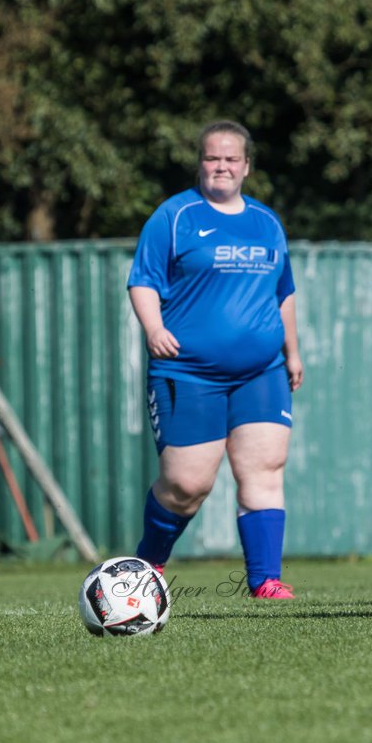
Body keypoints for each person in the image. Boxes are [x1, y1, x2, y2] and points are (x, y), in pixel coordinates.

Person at [127, 120, 303, 599]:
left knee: (265, 468)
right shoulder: (175, 216)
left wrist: (292, 350)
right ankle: (149, 564)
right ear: (200, 164)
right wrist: (154, 328)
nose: (220, 166)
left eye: (230, 158)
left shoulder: (267, 222)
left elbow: (282, 292)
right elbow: (142, 280)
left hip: (261, 373)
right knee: (187, 483)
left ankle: (265, 580)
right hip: (187, 371)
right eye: (211, 157)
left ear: (246, 166)